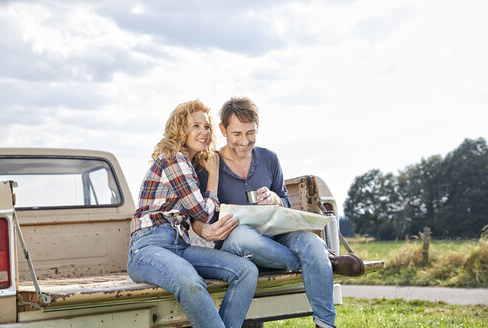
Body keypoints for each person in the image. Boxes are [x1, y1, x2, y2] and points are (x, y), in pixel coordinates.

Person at [198, 97, 363, 328]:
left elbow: (285, 200)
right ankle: (318, 262)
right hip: (237, 243)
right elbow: (200, 215)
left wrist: (276, 199)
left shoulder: (269, 159)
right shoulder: (209, 164)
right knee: (245, 236)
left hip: (275, 235)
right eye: (237, 134)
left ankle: (325, 323)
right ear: (223, 130)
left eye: (251, 133)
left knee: (313, 244)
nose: (244, 142)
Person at [127, 100, 259, 328]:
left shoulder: (190, 164)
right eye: (195, 126)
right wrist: (214, 174)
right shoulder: (174, 159)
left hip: (180, 246)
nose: (204, 132)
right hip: (148, 248)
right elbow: (203, 212)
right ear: (180, 129)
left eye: (207, 127)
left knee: (246, 271)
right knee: (190, 282)